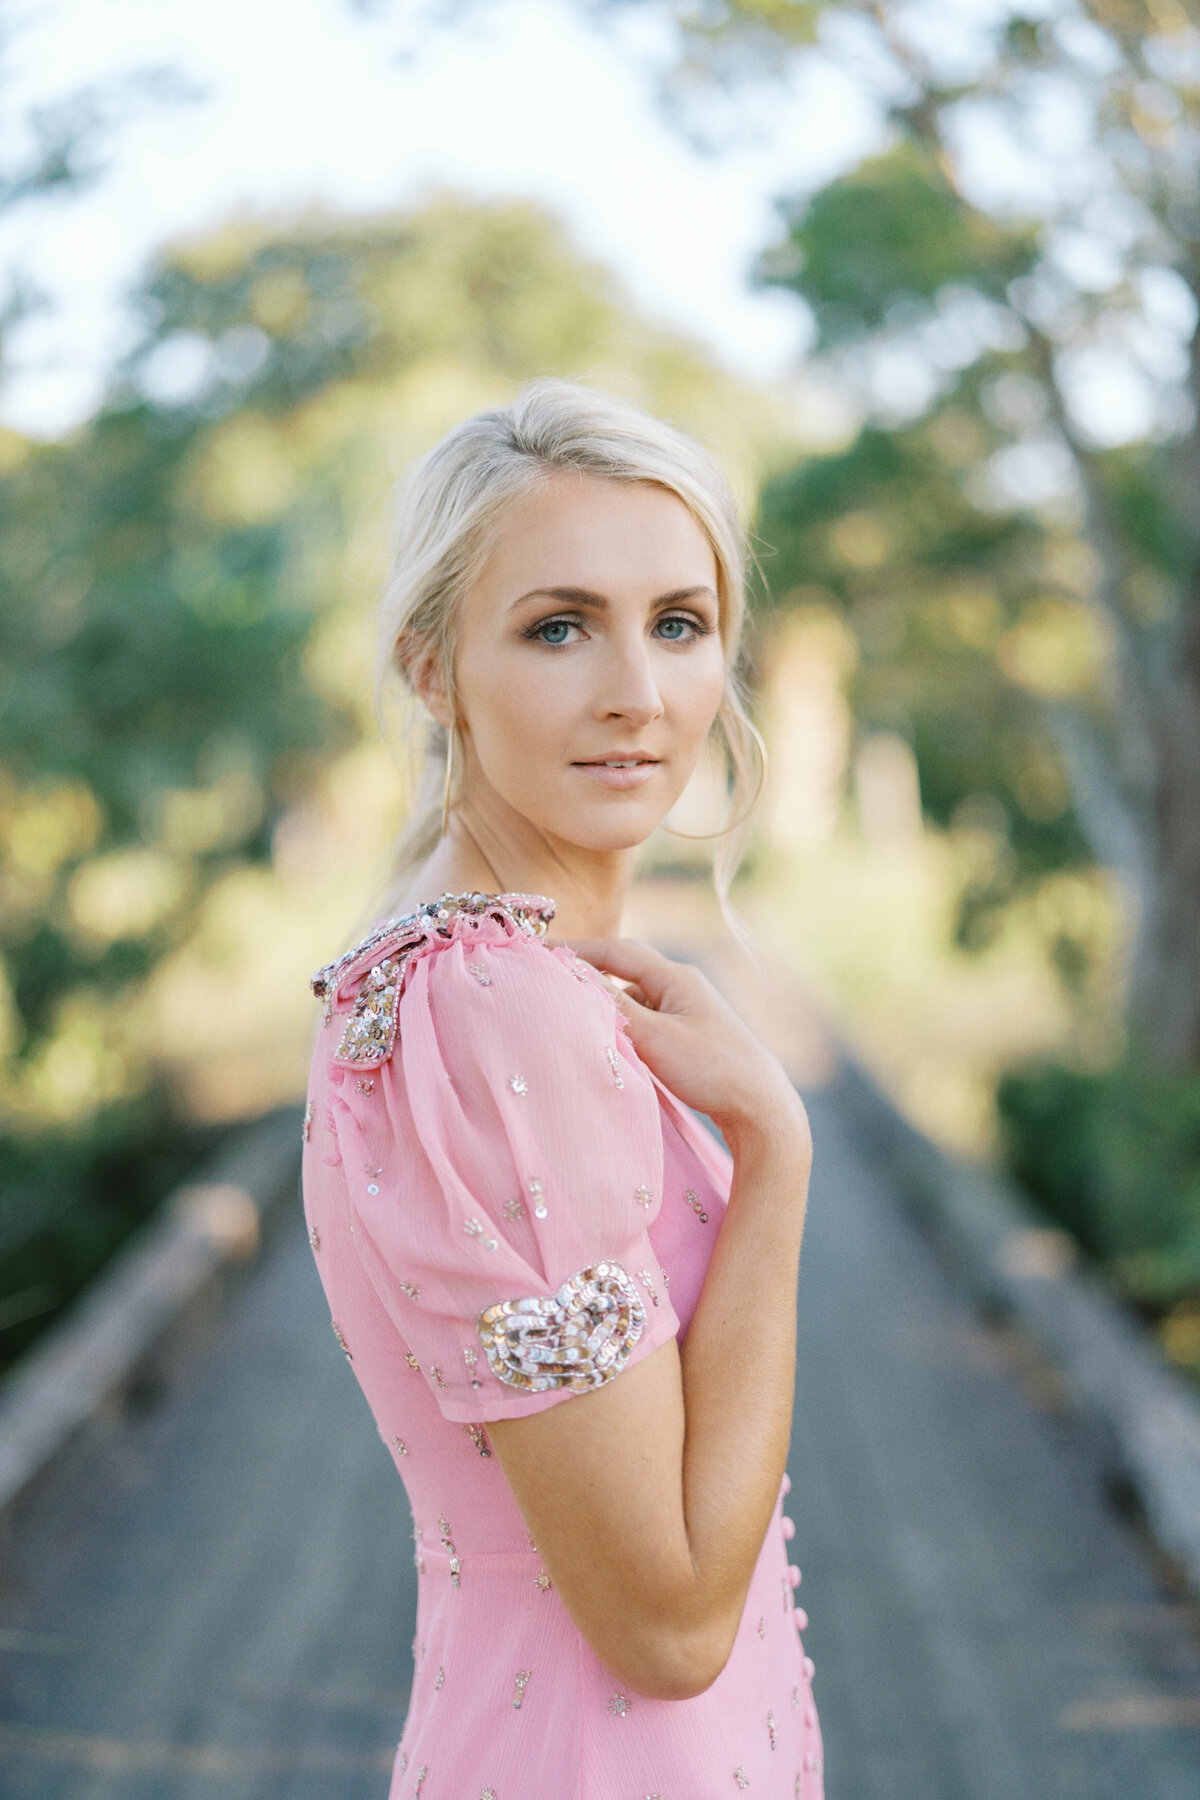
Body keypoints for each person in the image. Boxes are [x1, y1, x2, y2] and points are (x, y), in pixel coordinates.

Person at [302, 378, 821, 1797]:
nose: (637, 696)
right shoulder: (495, 1005)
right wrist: (774, 1154)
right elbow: (666, 1624)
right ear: (430, 665)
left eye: (679, 623)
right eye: (557, 627)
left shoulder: (416, 969)